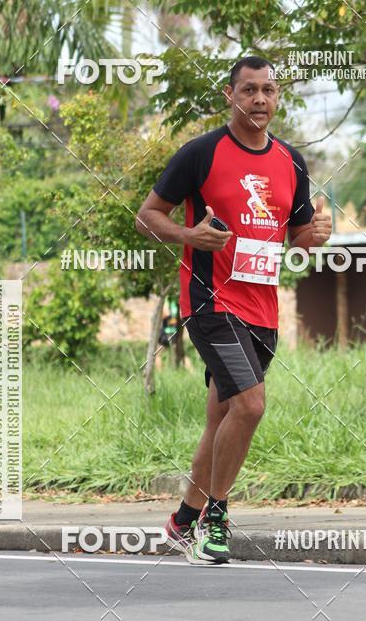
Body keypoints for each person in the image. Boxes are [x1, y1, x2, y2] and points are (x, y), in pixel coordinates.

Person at [135, 55, 332, 565]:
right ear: (230, 95)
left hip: (262, 309)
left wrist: (318, 234)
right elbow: (147, 216)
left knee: (222, 416)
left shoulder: (291, 161)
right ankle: (214, 519)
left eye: (268, 90)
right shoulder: (201, 153)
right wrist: (188, 234)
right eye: (249, 90)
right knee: (250, 405)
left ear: (277, 96)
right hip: (210, 302)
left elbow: (299, 239)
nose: (259, 99)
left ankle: (182, 520)